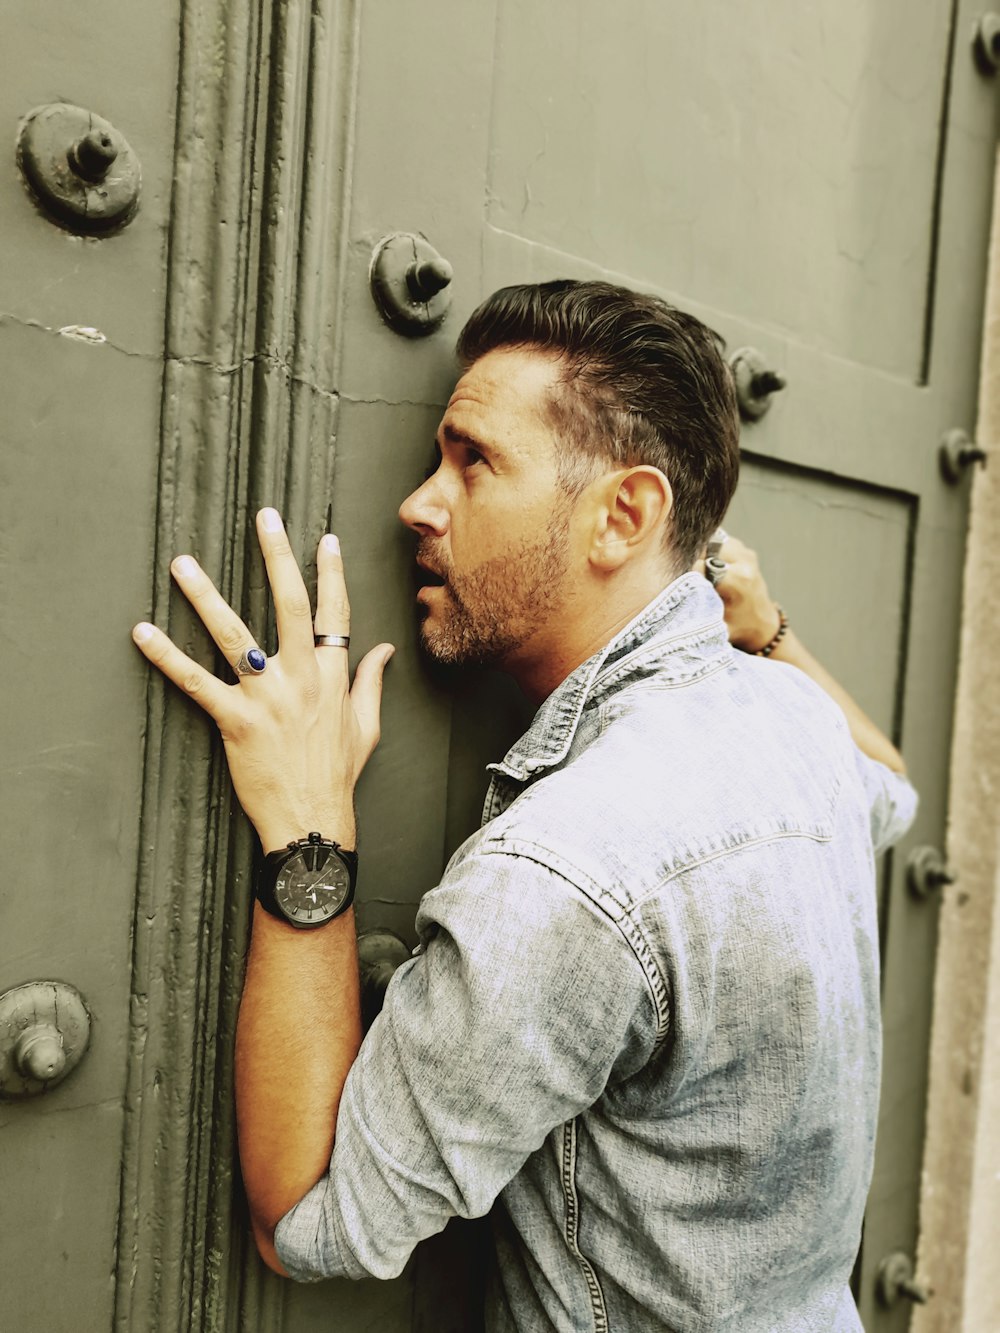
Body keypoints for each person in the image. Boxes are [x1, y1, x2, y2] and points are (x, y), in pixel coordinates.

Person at [132, 280, 916, 1332]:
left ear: (624, 516)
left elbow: (307, 1220)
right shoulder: (792, 720)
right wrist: (765, 624)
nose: (418, 501)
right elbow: (894, 786)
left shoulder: (570, 867)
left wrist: (309, 824)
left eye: (473, 460)